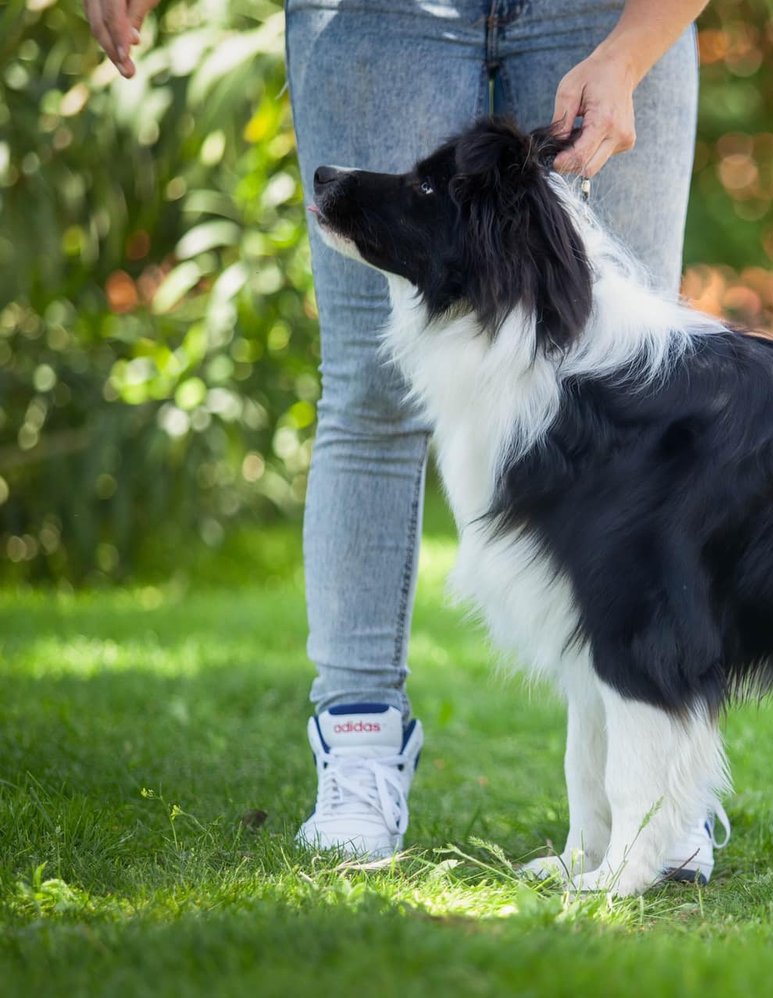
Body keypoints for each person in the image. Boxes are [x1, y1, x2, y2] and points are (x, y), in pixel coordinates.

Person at [87, 0, 728, 882]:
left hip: (610, 12)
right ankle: (358, 746)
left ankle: (654, 803)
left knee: (639, 388)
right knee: (369, 391)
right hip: (380, 14)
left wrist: (630, 51)